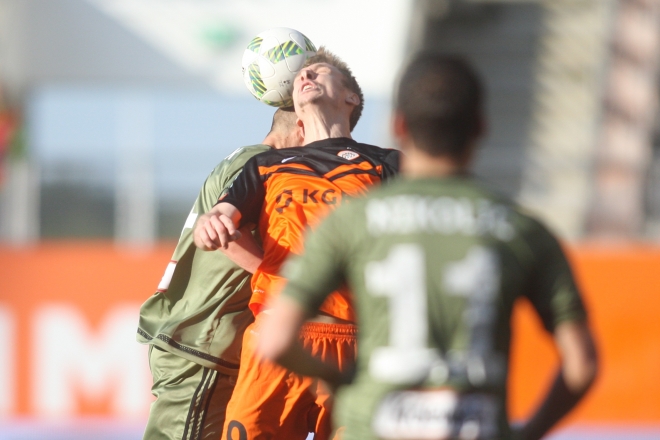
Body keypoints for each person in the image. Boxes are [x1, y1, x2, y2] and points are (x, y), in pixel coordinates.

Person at [258, 53, 599, 440]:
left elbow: (276, 339)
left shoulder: (351, 222)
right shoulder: (521, 229)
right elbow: (581, 364)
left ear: (398, 126)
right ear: (481, 127)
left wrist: (343, 381)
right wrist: (531, 431)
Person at [193, 47, 400, 440]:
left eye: (319, 72)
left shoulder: (387, 163)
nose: (306, 77)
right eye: (302, 75)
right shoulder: (267, 165)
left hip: (358, 342)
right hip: (276, 337)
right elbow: (224, 217)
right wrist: (210, 224)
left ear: (351, 97)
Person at [137, 107, 302, 440]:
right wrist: (300, 288)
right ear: (301, 127)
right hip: (205, 344)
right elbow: (226, 236)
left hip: (201, 344)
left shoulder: (245, 159)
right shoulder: (260, 164)